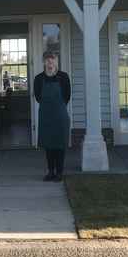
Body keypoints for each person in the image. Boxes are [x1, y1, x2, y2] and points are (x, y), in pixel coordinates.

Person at [33, 52, 71, 181]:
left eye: (52, 60)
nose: (50, 63)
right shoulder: (38, 79)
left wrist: (57, 107)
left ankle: (59, 172)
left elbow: (67, 96)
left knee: (60, 145)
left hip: (60, 116)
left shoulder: (64, 77)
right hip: (45, 116)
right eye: (47, 60)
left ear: (57, 62)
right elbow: (38, 97)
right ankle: (50, 172)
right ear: (43, 62)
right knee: (48, 145)